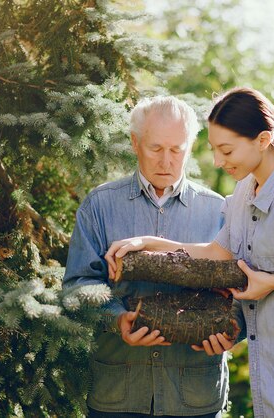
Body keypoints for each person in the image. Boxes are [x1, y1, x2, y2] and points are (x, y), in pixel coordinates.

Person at [105, 87, 274, 418]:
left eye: (226, 151)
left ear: (263, 140)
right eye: (214, 150)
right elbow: (216, 251)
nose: (219, 162)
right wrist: (148, 242)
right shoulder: (245, 191)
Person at [63, 96, 234, 418]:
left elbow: (242, 290)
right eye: (156, 148)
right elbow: (77, 284)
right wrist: (116, 318)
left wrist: (230, 332)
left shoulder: (219, 211)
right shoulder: (100, 205)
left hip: (195, 396)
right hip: (118, 393)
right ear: (135, 142)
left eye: (177, 149)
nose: (166, 161)